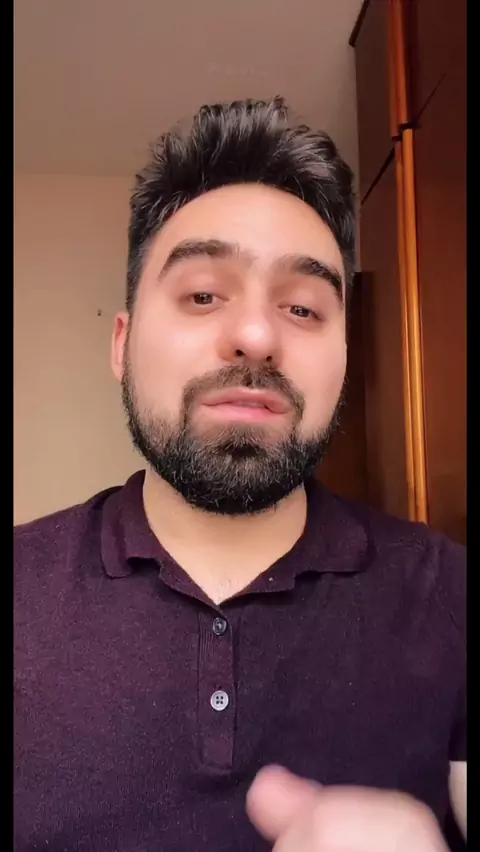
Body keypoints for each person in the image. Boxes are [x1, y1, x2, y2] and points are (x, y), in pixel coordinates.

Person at [14, 98, 466, 851]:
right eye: (202, 295)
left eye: (302, 308)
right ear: (121, 345)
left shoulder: (450, 593)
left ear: (345, 359)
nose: (256, 335)